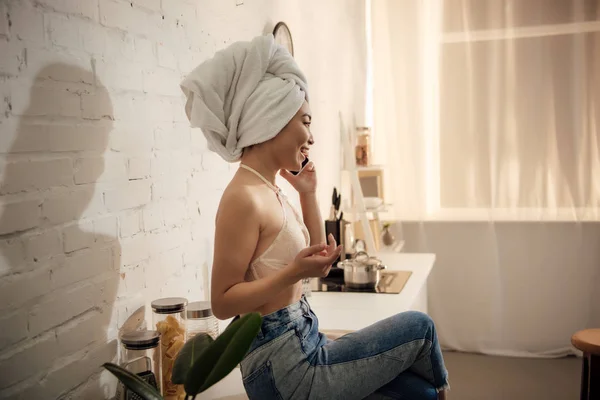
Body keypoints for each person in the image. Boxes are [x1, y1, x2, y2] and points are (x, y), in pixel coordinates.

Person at [180, 34, 449, 400]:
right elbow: (223, 302)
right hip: (284, 368)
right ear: (270, 119)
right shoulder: (242, 198)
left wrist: (307, 193)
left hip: (302, 342)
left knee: (420, 393)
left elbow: (317, 255)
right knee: (421, 328)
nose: (311, 137)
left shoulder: (269, 189)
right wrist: (293, 273)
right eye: (306, 121)